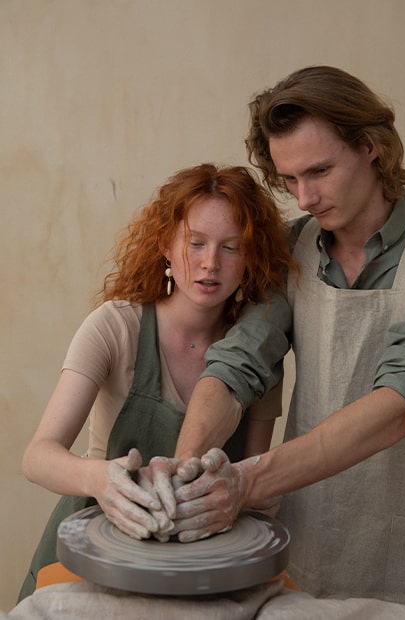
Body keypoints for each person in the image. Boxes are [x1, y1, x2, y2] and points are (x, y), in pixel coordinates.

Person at [168, 67, 405, 608]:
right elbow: (236, 366)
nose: (305, 196)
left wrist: (246, 482)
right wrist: (185, 474)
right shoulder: (292, 250)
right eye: (289, 179)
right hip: (311, 527)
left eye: (319, 171)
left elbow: (402, 399)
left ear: (372, 147)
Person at [18, 162, 295, 600]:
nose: (210, 263)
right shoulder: (114, 327)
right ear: (166, 244)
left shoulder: (258, 354)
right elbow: (37, 457)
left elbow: (254, 488)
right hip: (92, 551)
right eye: (195, 243)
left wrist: (251, 495)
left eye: (231, 247)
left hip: (199, 566)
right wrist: (99, 480)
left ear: (251, 256)